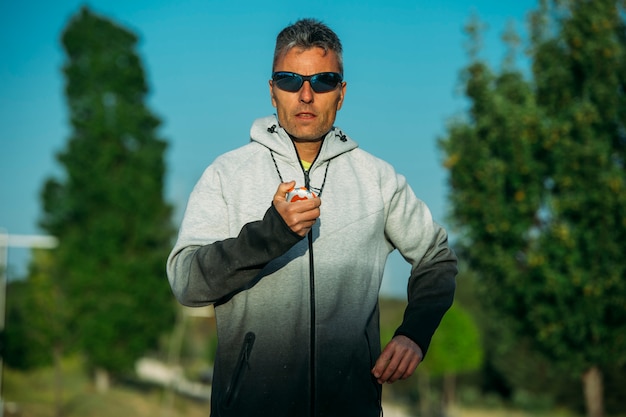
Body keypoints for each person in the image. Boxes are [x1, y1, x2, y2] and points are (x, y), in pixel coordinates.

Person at [167, 18, 457, 417]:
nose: (306, 95)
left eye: (322, 81)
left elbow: (437, 258)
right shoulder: (226, 174)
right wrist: (270, 234)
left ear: (341, 93)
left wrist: (415, 333)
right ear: (272, 92)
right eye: (289, 80)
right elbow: (185, 282)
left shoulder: (377, 180)